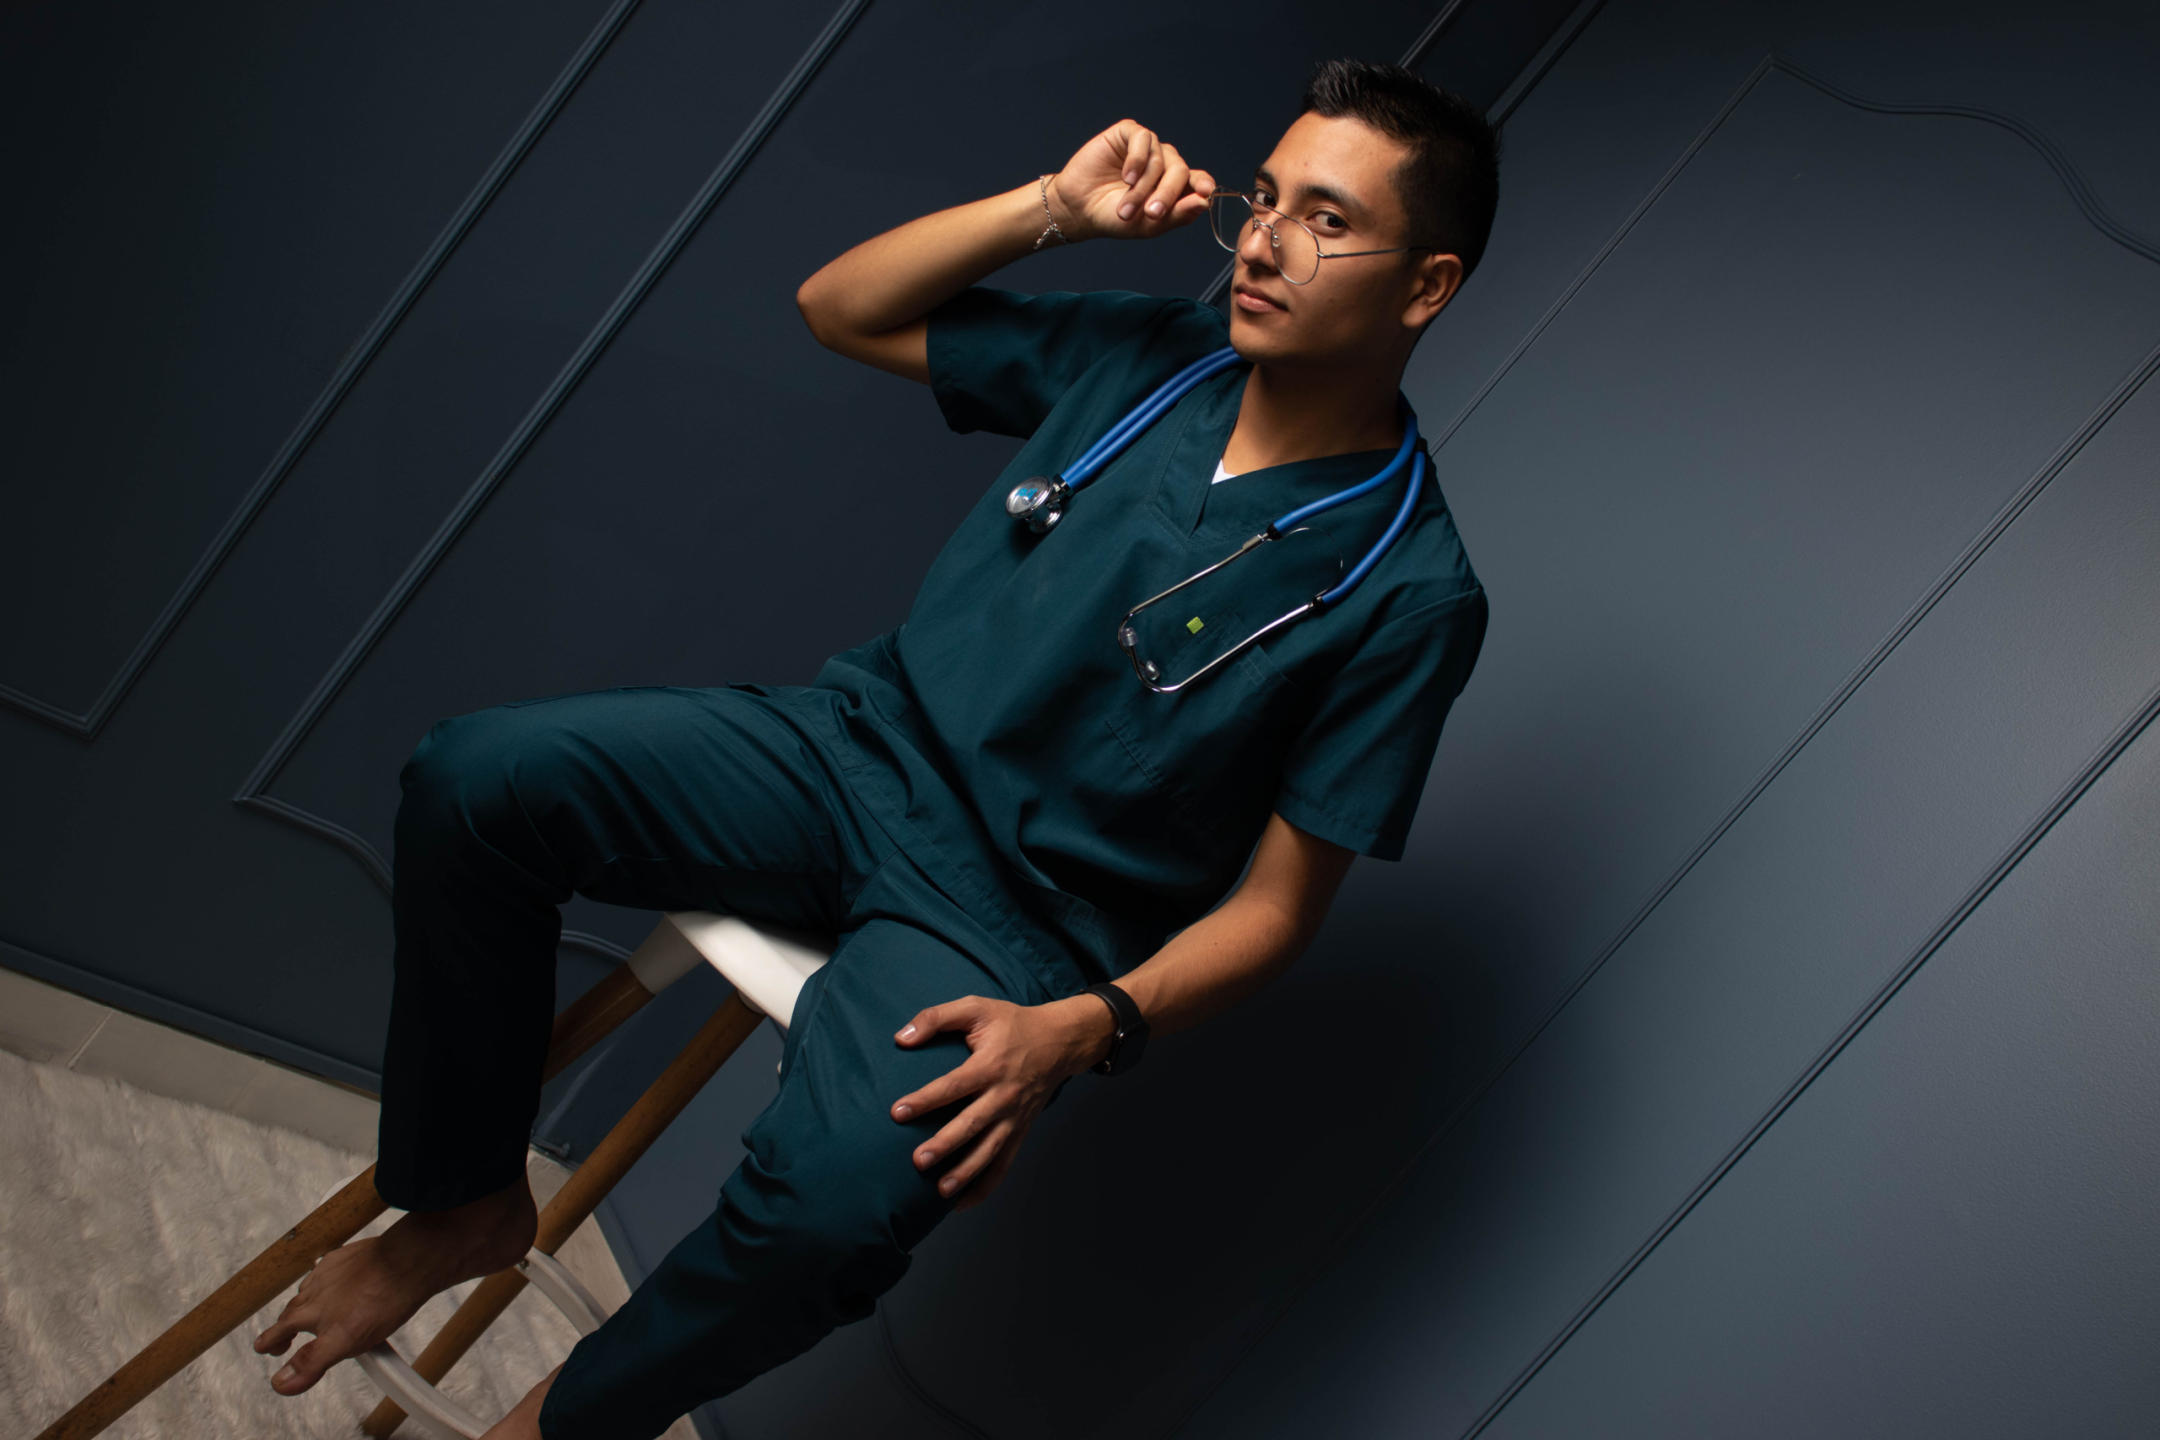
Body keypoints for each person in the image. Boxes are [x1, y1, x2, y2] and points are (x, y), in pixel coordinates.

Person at [251, 56, 1498, 1440]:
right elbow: (840, 307)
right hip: (852, 754)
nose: (1262, 241)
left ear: (1426, 285)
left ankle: (559, 1425)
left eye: (1325, 220)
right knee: (477, 782)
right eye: (1263, 196)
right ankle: (462, 1201)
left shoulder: (1411, 591)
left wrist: (1085, 1025)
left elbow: (1276, 911)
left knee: (837, 1210)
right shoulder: (1152, 359)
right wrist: (1054, 207)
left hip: (1016, 924)